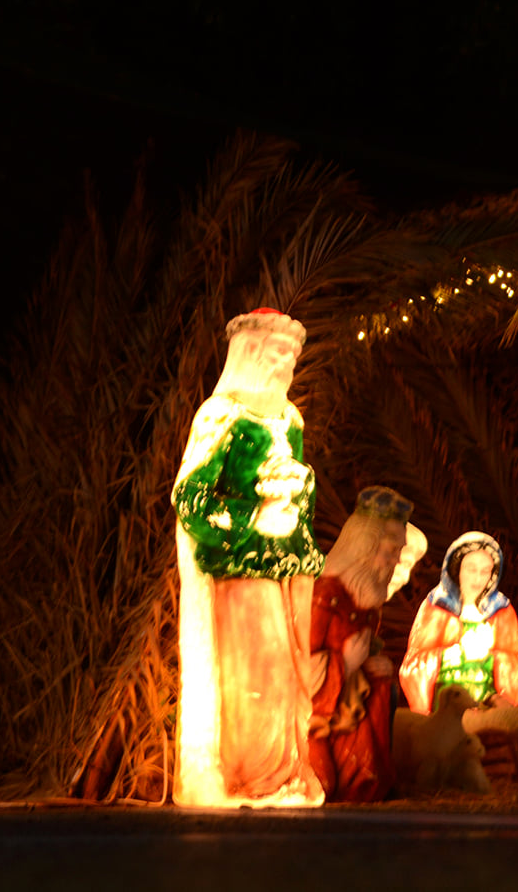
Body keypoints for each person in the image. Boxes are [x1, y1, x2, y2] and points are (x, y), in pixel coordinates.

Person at [171, 308, 325, 808]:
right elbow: (190, 496)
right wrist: (250, 518)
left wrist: (297, 491)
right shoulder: (221, 415)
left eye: (292, 356)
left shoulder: (290, 418)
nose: (286, 364)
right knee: (258, 670)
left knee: (292, 671)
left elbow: (301, 491)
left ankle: (287, 774)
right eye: (278, 352)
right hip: (239, 566)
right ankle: (251, 776)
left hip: (287, 563)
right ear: (252, 352)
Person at [307, 486, 427, 801]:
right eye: (391, 550)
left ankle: (374, 780)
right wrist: (344, 665)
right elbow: (295, 669)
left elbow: (366, 650)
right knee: (323, 782)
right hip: (322, 722)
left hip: (357, 714)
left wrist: (373, 663)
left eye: (399, 552)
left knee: (385, 688)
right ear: (364, 546)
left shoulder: (367, 603)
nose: (396, 561)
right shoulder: (324, 598)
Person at [400, 532, 518, 713]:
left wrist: (490, 658)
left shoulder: (501, 611)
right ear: (457, 568)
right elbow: (413, 666)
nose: (478, 578)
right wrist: (450, 656)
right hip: (445, 710)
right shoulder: (436, 607)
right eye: (471, 569)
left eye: (485, 571)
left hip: (488, 711)